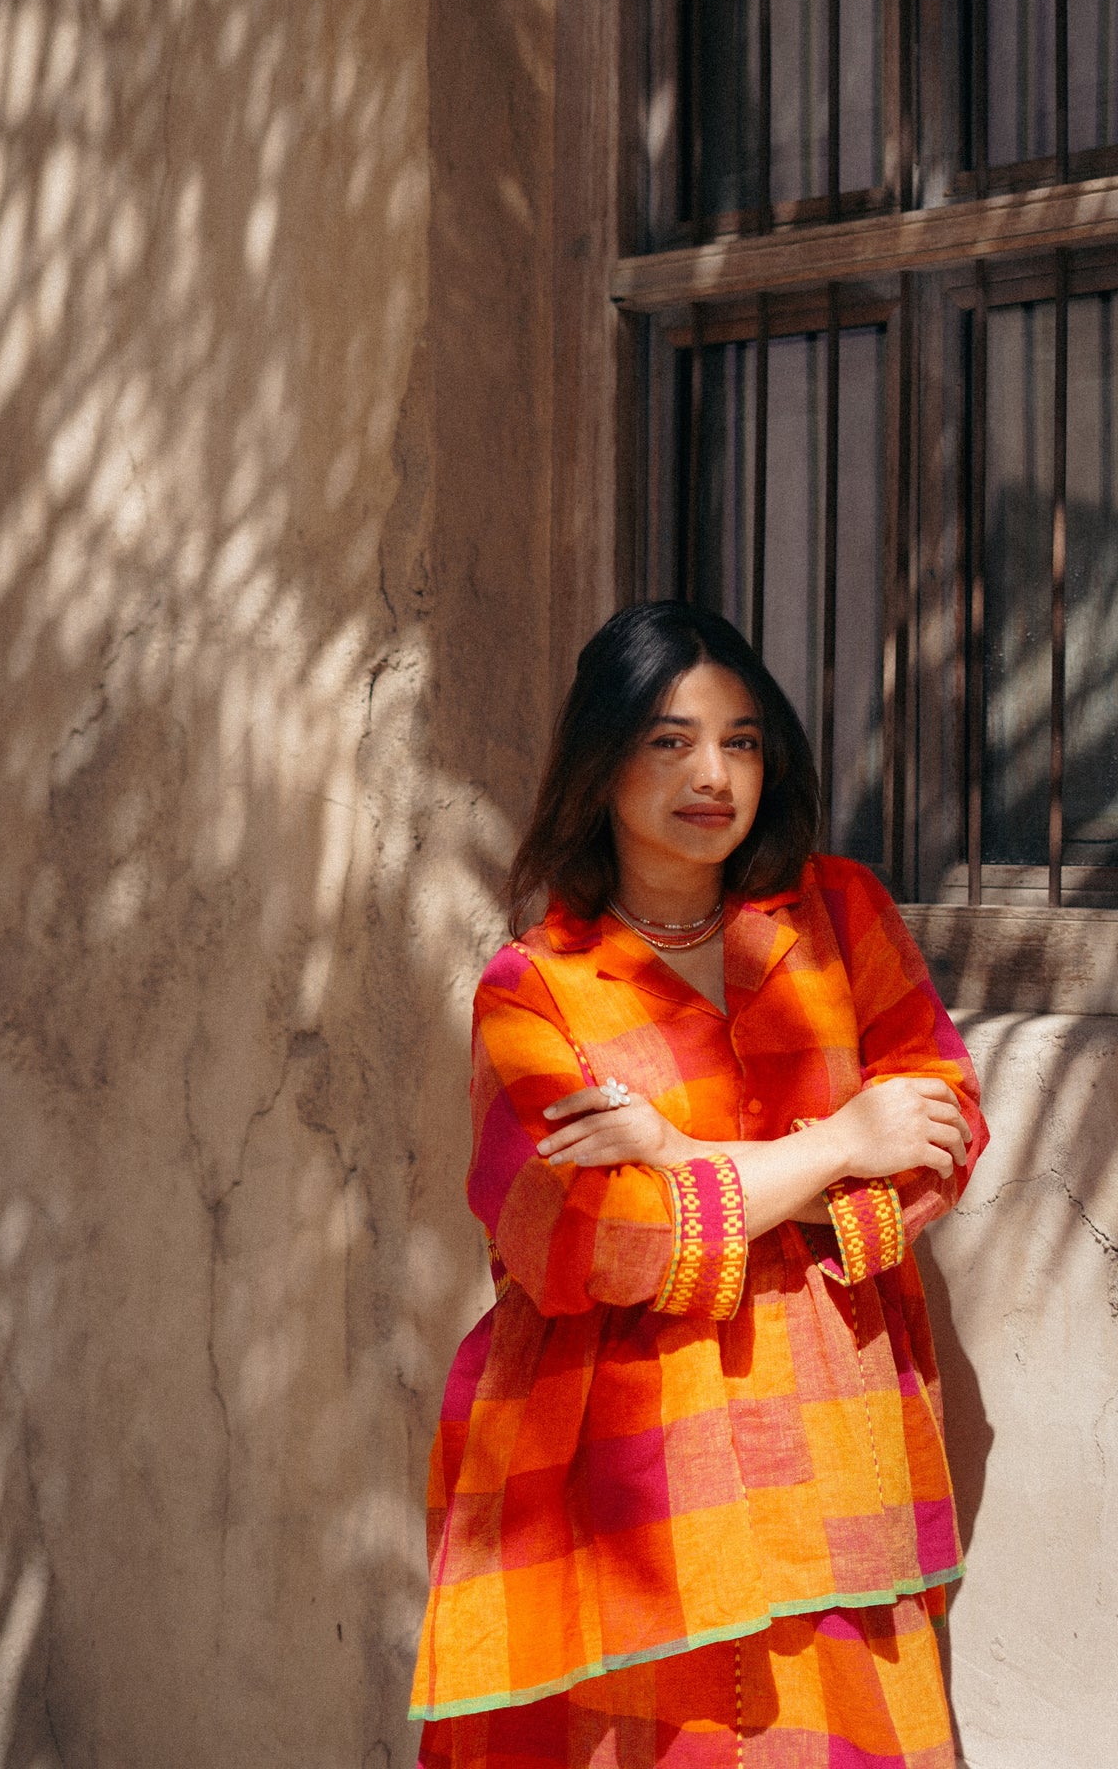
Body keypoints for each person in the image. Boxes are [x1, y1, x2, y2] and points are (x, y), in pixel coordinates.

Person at [409, 601, 987, 1768]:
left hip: (828, 1437)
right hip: (617, 1470)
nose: (712, 774)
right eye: (668, 740)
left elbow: (936, 1137)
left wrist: (676, 1161)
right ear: (600, 757)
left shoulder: (839, 917)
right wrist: (833, 1148)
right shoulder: (535, 991)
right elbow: (581, 1238)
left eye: (741, 739)